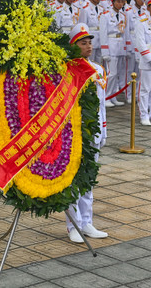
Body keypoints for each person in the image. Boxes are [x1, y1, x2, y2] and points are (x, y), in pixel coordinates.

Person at [65, 24, 108, 243]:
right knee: (73, 178)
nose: (88, 46)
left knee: (88, 178)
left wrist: (103, 129)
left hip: (94, 131)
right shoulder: (66, 70)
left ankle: (87, 222)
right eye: (83, 43)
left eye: (90, 42)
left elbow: (102, 104)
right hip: (74, 132)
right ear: (74, 46)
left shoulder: (98, 69)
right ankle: (73, 224)